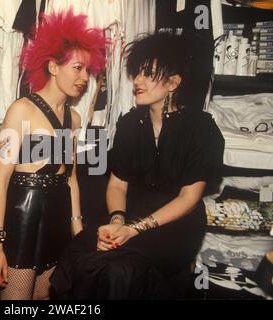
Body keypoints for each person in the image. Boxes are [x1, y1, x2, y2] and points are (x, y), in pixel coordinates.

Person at [50, 32, 225, 299]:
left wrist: (133, 229)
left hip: (176, 224)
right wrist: (117, 221)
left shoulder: (202, 129)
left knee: (117, 269)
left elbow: (189, 198)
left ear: (173, 82)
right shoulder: (130, 124)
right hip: (131, 215)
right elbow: (117, 185)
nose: (137, 80)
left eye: (147, 73)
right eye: (136, 72)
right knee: (80, 251)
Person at [0, 10, 107, 300]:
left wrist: (77, 230)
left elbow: (71, 178)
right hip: (24, 218)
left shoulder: (74, 119)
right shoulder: (21, 111)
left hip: (58, 220)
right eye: (77, 68)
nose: (84, 77)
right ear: (53, 66)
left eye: (88, 71)